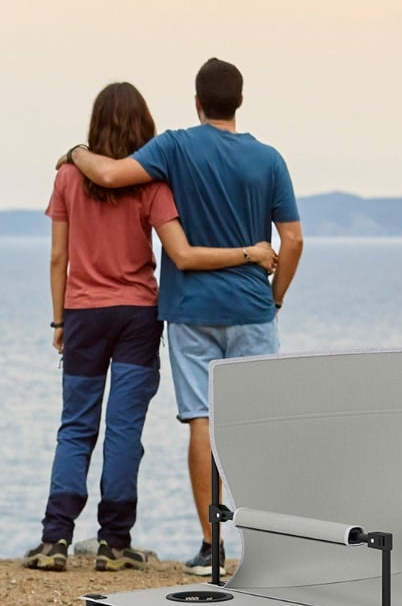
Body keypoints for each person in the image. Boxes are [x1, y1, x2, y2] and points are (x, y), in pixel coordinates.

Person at [65, 58, 303, 576]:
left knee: (201, 421)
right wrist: (276, 297)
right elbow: (293, 240)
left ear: (197, 102)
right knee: (257, 425)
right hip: (252, 308)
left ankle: (211, 546)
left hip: (191, 311)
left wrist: (75, 152)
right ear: (240, 102)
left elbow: (108, 174)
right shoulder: (269, 159)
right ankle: (270, 546)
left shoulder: (175, 147)